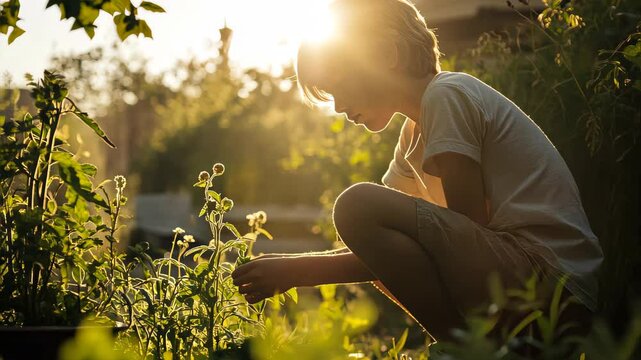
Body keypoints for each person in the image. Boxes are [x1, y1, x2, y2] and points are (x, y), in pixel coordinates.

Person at [231, 0, 603, 343]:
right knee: (367, 222)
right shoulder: (412, 139)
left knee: (356, 204)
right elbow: (378, 247)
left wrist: (296, 273)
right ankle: (473, 347)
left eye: (339, 86)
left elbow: (467, 228)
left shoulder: (448, 95)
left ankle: (466, 349)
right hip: (522, 284)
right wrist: (288, 269)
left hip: (553, 289)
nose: (340, 107)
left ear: (385, 54)